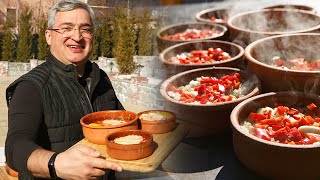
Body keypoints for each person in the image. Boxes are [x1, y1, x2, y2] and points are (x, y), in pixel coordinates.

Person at [5, 0, 124, 179]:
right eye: (66, 28)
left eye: (85, 29)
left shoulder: (101, 78)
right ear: (48, 36)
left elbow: (124, 124)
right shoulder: (31, 86)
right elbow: (16, 147)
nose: (77, 37)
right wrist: (55, 163)